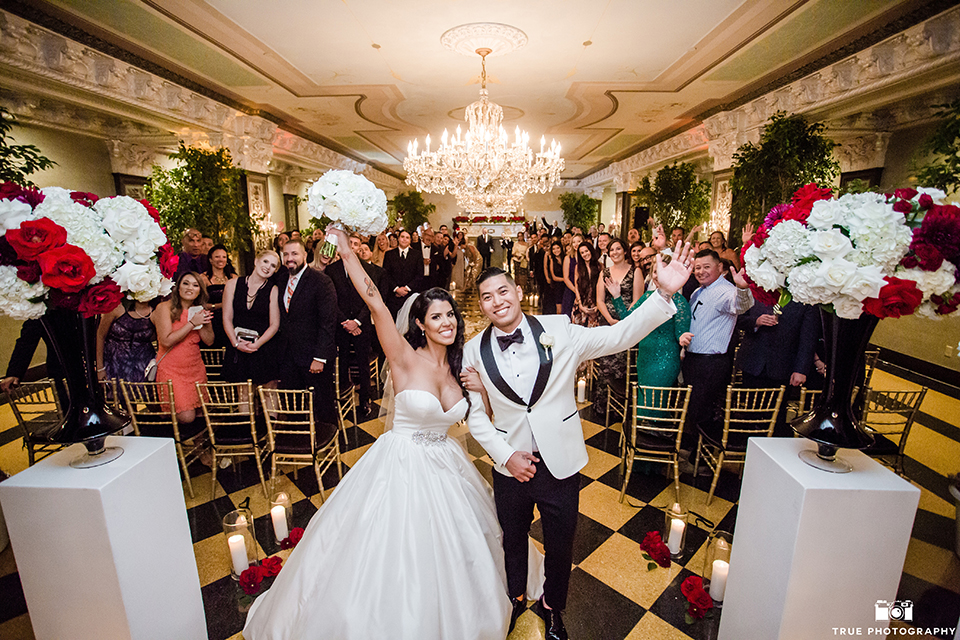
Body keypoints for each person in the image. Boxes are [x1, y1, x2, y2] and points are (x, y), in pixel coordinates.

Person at [243, 229, 531, 640]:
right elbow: (374, 300)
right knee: (383, 554)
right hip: (398, 463)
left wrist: (482, 393)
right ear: (420, 323)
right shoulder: (402, 356)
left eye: (450, 315)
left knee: (458, 550)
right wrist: (345, 252)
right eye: (436, 316)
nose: (446, 322)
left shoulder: (462, 367)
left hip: (446, 465)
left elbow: (478, 420)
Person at [461, 245, 693, 640]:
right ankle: (515, 596)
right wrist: (505, 456)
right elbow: (476, 415)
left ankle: (553, 607)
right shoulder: (472, 350)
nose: (496, 301)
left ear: (517, 292)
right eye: (487, 296)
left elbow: (619, 335)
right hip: (509, 465)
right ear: (481, 305)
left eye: (503, 291)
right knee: (512, 539)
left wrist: (663, 295)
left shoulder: (560, 331)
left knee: (560, 543)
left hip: (560, 462)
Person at [682, 249, 754, 444]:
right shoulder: (698, 291)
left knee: (703, 410)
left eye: (707, 267)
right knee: (692, 407)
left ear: (720, 267)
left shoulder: (727, 290)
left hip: (711, 363)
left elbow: (740, 305)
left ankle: (701, 458)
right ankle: (693, 451)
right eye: (698, 268)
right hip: (693, 359)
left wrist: (742, 288)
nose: (701, 271)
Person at [606, 256, 692, 415]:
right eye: (655, 272)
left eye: (663, 272)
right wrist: (617, 296)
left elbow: (681, 330)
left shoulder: (680, 302)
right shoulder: (647, 297)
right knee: (643, 400)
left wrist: (682, 337)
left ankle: (654, 434)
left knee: (655, 403)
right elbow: (629, 319)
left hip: (665, 360)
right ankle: (639, 434)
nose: (658, 276)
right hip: (645, 358)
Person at [276, 239, 339, 426]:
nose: (290, 259)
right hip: (288, 356)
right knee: (294, 405)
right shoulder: (280, 280)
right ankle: (301, 445)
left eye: (294, 254)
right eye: (286, 254)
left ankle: (330, 446)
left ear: (305, 255)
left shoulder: (321, 281)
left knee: (323, 404)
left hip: (314, 355)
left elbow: (328, 322)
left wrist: (320, 357)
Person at [327, 233, 379, 420]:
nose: (352, 246)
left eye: (356, 244)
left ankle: (365, 399)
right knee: (342, 363)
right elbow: (331, 299)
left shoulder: (368, 270)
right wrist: (345, 323)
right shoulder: (331, 270)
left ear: (359, 248)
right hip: (340, 324)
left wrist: (357, 322)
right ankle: (342, 400)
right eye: (349, 243)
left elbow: (371, 299)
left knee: (362, 362)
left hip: (361, 324)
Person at [153, 272, 215, 427]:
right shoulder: (164, 308)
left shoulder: (198, 310)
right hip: (172, 370)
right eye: (186, 283)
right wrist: (192, 323)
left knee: (200, 413)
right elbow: (167, 340)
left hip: (195, 368)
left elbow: (209, 341)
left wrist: (205, 323)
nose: (190, 288)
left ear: (200, 290)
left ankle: (193, 444)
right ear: (178, 287)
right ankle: (173, 439)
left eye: (195, 285)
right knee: (187, 416)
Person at [221, 250, 281, 387]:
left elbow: (274, 325)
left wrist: (256, 345)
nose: (267, 267)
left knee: (269, 393)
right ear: (256, 261)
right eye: (265, 261)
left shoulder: (273, 290)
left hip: (264, 347)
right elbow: (227, 318)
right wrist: (236, 344)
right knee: (243, 395)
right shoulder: (232, 284)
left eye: (273, 265)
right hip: (237, 344)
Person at [96, 299, 157, 384]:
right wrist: (100, 368)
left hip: (143, 367)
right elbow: (100, 336)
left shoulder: (156, 311)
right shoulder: (116, 307)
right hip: (114, 365)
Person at [201, 244, 238, 348]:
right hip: (212, 321)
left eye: (224, 257)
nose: (221, 259)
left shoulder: (233, 277)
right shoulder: (203, 278)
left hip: (231, 319)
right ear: (210, 260)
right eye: (217, 257)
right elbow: (199, 304)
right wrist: (220, 305)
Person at [381, 230, 422, 317]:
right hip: (393, 296)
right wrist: (396, 289)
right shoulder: (389, 254)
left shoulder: (417, 255)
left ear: (410, 240)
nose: (404, 239)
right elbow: (386, 274)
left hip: (410, 295)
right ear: (398, 239)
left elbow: (419, 275)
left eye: (407, 238)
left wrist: (407, 288)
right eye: (402, 237)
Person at [544, 240, 565, 314]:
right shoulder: (552, 260)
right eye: (553, 249)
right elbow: (553, 276)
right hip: (557, 286)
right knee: (558, 308)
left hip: (566, 286)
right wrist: (565, 279)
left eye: (557, 248)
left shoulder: (565, 258)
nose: (556, 250)